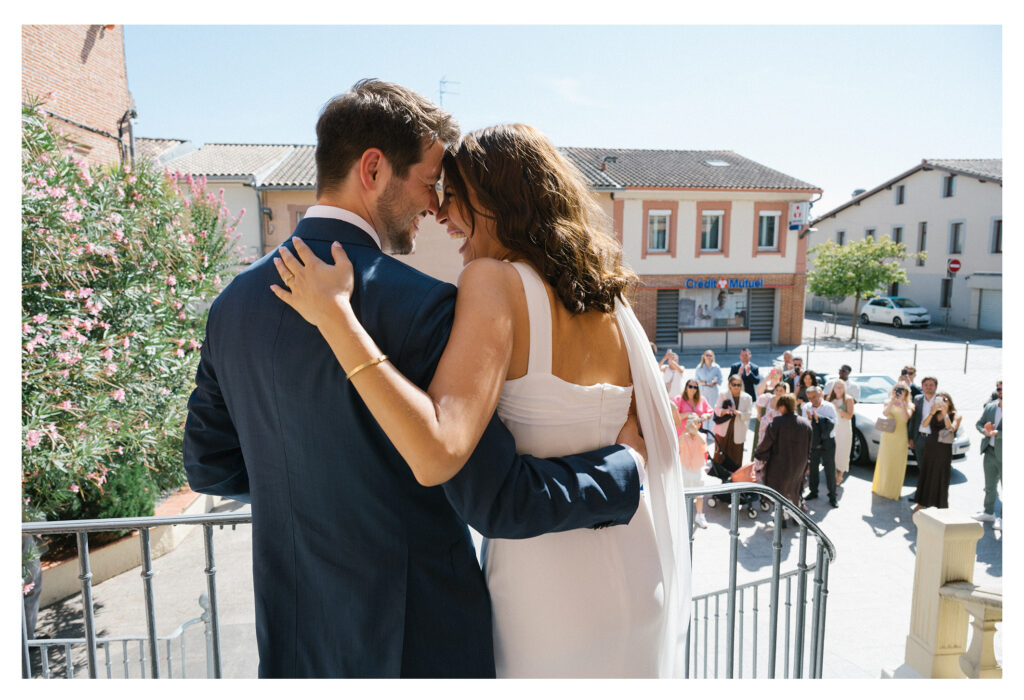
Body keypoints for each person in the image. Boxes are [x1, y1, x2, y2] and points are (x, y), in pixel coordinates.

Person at [182, 82, 647, 679]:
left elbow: (209, 466)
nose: (434, 207)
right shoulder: (430, 307)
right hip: (418, 638)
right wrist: (621, 469)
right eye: (430, 182)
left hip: (294, 636)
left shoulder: (233, 304)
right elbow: (495, 492)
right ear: (373, 169)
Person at [271, 122, 690, 677]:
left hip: (549, 599)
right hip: (640, 577)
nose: (442, 215)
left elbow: (442, 443)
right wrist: (629, 464)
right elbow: (642, 435)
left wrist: (337, 318)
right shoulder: (608, 299)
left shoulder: (493, 281)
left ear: (495, 199)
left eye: (455, 198)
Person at [754, 393, 812, 527]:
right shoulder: (806, 424)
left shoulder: (777, 422)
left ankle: (782, 518)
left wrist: (759, 454)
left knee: (779, 491)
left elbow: (766, 443)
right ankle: (796, 516)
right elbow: (809, 447)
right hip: (799, 464)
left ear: (783, 406)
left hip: (779, 464)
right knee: (795, 488)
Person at [913, 392, 961, 512]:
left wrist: (945, 414)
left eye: (945, 399)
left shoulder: (956, 415)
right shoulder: (934, 413)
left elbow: (951, 429)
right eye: (939, 399)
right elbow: (924, 424)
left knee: (940, 476)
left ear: (949, 401)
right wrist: (932, 412)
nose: (942, 402)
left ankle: (940, 505)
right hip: (931, 447)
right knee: (927, 474)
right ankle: (922, 503)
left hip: (943, 449)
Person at [872, 382, 915, 500]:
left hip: (900, 436)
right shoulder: (887, 401)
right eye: (897, 389)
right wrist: (892, 401)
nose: (899, 392)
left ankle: (893, 491)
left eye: (902, 390)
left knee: (897, 463)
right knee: (885, 461)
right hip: (888, 436)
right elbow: (885, 413)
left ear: (906, 392)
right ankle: (880, 488)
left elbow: (906, 418)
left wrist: (902, 403)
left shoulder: (910, 405)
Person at [802, 386, 840, 507]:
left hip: (827, 441)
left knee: (829, 469)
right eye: (809, 397)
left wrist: (819, 419)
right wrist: (810, 419)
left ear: (820, 395)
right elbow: (805, 425)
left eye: (814, 397)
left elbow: (834, 423)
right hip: (813, 441)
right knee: (813, 468)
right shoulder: (806, 407)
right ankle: (813, 492)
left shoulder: (829, 406)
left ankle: (833, 496)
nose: (812, 400)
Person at [973, 384, 1002, 529]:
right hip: (990, 452)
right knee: (990, 486)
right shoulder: (991, 407)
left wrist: (998, 434)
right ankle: (989, 512)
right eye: (999, 389)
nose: (1001, 391)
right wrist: (984, 430)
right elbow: (979, 423)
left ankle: (1003, 518)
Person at [907, 376, 939, 499]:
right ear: (922, 387)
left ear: (935, 387)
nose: (928, 387)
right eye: (926, 385)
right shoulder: (918, 399)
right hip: (919, 438)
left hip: (934, 440)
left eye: (931, 385)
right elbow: (913, 420)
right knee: (921, 467)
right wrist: (911, 437)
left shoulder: (941, 400)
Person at [751, 381, 789, 483]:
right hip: (765, 427)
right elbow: (758, 403)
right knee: (763, 446)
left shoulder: (786, 402)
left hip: (778, 429)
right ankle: (760, 469)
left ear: (785, 391)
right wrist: (759, 414)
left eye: (781, 390)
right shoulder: (768, 397)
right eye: (777, 390)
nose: (778, 392)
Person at [713, 375, 753, 468]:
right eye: (734, 384)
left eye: (738, 385)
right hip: (723, 430)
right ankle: (721, 475)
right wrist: (726, 411)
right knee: (720, 455)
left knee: (736, 456)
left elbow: (749, 414)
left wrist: (739, 413)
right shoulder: (723, 394)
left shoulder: (747, 397)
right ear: (729, 385)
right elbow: (717, 409)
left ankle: (734, 477)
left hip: (738, 430)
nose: (736, 387)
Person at [679, 414, 710, 528]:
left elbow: (703, 443)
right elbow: (679, 444)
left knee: (699, 495)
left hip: (697, 470)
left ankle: (700, 515)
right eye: (690, 422)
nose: (692, 425)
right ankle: (683, 516)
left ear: (699, 425)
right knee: (684, 493)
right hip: (685, 469)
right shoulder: (684, 436)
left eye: (695, 423)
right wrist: (685, 431)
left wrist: (695, 431)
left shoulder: (702, 435)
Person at [827, 379, 855, 485]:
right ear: (833, 388)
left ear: (844, 388)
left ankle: (840, 475)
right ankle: (832, 473)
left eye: (841, 387)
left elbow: (849, 416)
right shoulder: (829, 399)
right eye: (836, 386)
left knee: (843, 451)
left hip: (844, 430)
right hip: (833, 429)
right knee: (833, 452)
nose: (838, 389)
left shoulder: (848, 399)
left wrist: (838, 409)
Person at [694, 349, 723, 432]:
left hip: (713, 392)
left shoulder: (716, 367)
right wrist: (706, 383)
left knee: (712, 410)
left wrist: (714, 382)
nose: (708, 357)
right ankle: (703, 430)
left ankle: (712, 431)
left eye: (710, 355)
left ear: (713, 356)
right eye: (707, 355)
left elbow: (721, 379)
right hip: (703, 391)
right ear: (703, 356)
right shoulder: (699, 367)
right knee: (703, 410)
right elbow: (696, 380)